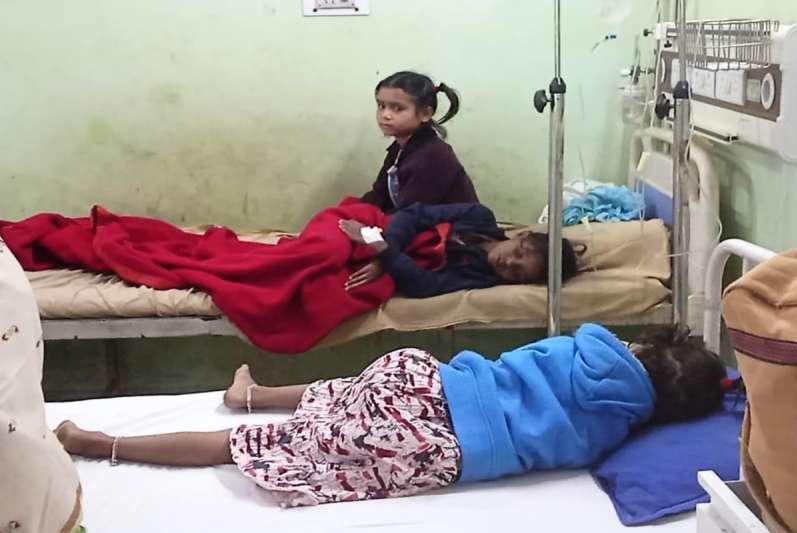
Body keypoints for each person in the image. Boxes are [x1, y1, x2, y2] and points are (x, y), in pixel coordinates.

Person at [56, 323, 729, 508]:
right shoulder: (618, 431)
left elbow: (520, 360)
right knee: (256, 445)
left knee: (352, 388)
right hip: (434, 445)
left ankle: (252, 393)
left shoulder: (582, 347)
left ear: (643, 347)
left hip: (423, 383)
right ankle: (101, 442)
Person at [339, 202, 579, 298]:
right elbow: (415, 214)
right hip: (383, 231)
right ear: (522, 235)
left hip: (384, 255)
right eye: (518, 252)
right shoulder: (478, 217)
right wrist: (381, 247)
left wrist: (383, 251)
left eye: (517, 273)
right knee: (335, 231)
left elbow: (424, 285)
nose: (508, 263)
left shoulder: (479, 277)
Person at [361, 71, 479, 212]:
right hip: (412, 217)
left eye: (397, 108)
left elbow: (414, 214)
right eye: (381, 106)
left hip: (451, 224)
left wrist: (367, 224)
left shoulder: (433, 155)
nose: (385, 115)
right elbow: (379, 194)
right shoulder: (398, 148)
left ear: (425, 114)